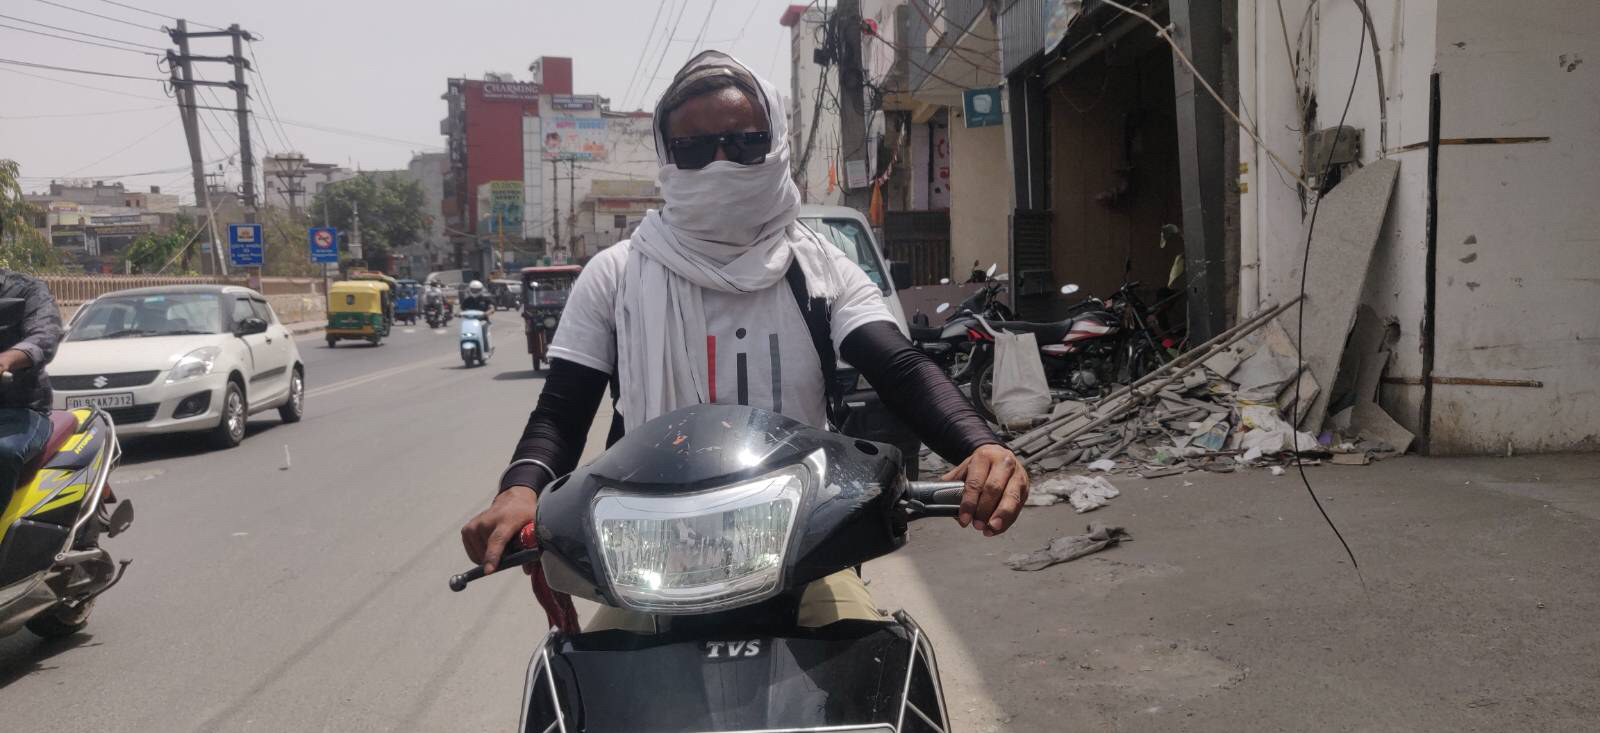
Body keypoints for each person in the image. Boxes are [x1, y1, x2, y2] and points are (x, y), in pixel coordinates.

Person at [460, 51, 1029, 630]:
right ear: (668, 159)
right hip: (652, 554)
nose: (722, 164)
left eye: (745, 143)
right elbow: (562, 410)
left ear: (776, 143)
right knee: (579, 695)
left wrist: (978, 444)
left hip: (805, 543)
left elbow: (899, 367)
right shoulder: (617, 274)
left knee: (881, 677)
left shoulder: (819, 268)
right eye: (695, 150)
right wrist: (520, 488)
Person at [0, 269, 63, 513]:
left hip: (20, 410)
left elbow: (44, 336)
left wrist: (7, 359)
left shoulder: (26, 289)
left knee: (3, 451)